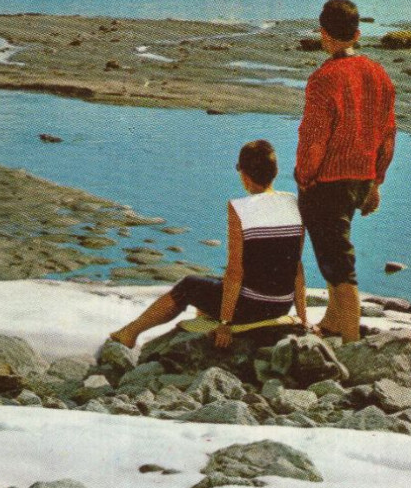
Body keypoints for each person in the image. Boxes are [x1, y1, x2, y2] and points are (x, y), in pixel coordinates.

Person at [110, 140, 308, 351]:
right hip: (280, 305)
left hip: (251, 307)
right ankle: (205, 320)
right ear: (275, 172)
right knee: (214, 283)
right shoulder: (294, 203)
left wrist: (225, 324)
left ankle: (130, 333)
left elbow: (235, 271)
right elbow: (296, 267)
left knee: (189, 285)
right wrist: (303, 318)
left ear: (244, 175)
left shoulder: (239, 208)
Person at [295, 0, 397, 343]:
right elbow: (388, 132)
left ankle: (350, 335)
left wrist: (304, 176)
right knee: (335, 246)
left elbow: (313, 137)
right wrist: (377, 180)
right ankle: (334, 320)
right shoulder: (379, 74)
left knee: (336, 257)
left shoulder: (324, 78)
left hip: (328, 177)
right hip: (362, 175)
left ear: (324, 34)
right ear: (356, 33)